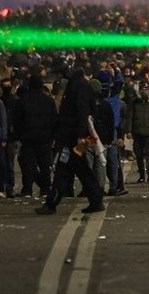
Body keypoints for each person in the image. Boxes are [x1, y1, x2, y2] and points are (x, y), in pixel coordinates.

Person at [36, 68, 105, 215]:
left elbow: (80, 112)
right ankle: (95, 199)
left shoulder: (77, 88)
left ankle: (52, 202)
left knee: (65, 167)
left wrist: (78, 135)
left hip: (75, 138)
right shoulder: (84, 87)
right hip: (82, 137)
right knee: (79, 168)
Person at [14, 74, 57, 198]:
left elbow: (17, 120)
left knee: (28, 165)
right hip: (45, 137)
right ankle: (45, 189)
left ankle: (27, 189)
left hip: (27, 137)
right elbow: (54, 119)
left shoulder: (22, 100)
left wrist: (18, 136)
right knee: (44, 165)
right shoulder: (48, 100)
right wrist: (53, 136)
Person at [128, 86, 149, 183]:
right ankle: (142, 175)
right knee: (139, 155)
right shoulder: (134, 104)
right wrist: (129, 131)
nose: (144, 92)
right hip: (137, 133)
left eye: (146, 90)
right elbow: (130, 118)